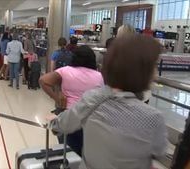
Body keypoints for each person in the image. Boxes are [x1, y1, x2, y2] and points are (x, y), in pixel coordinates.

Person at [47, 35, 167, 169]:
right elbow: (158, 153)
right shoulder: (153, 117)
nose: (156, 74)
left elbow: (63, 124)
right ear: (143, 72)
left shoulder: (93, 99)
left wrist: (54, 121)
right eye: (153, 67)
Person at [40, 45, 104, 156]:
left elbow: (43, 81)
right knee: (86, 153)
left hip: (68, 116)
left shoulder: (65, 71)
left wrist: (56, 97)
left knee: (68, 152)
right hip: (91, 119)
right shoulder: (99, 76)